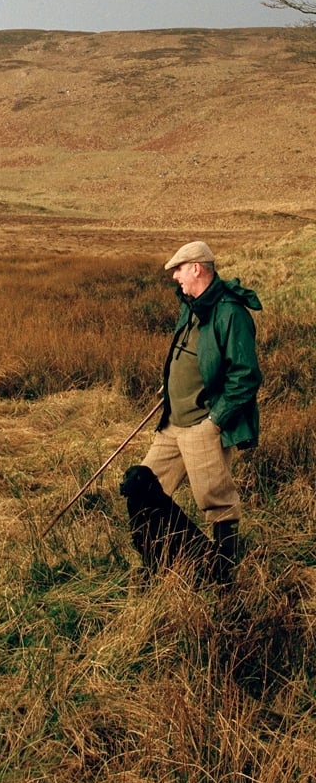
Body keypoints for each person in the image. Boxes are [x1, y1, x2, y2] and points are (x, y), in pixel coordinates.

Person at [141, 240, 262, 583]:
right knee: (142, 487)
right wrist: (172, 384)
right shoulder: (191, 306)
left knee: (216, 502)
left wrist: (214, 422)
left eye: (179, 269)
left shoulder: (231, 312)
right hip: (171, 424)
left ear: (196, 268)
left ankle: (222, 576)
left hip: (201, 425)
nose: (175, 276)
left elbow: (246, 376)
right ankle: (161, 563)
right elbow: (192, 355)